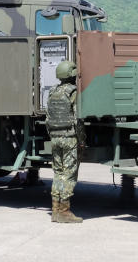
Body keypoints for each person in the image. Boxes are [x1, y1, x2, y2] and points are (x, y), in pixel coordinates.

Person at [47, 59, 84, 223]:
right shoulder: (73, 92)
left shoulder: (52, 92)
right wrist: (82, 139)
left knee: (58, 173)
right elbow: (77, 119)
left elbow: (48, 118)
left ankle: (55, 210)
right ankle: (65, 212)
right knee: (69, 175)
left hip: (55, 137)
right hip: (69, 138)